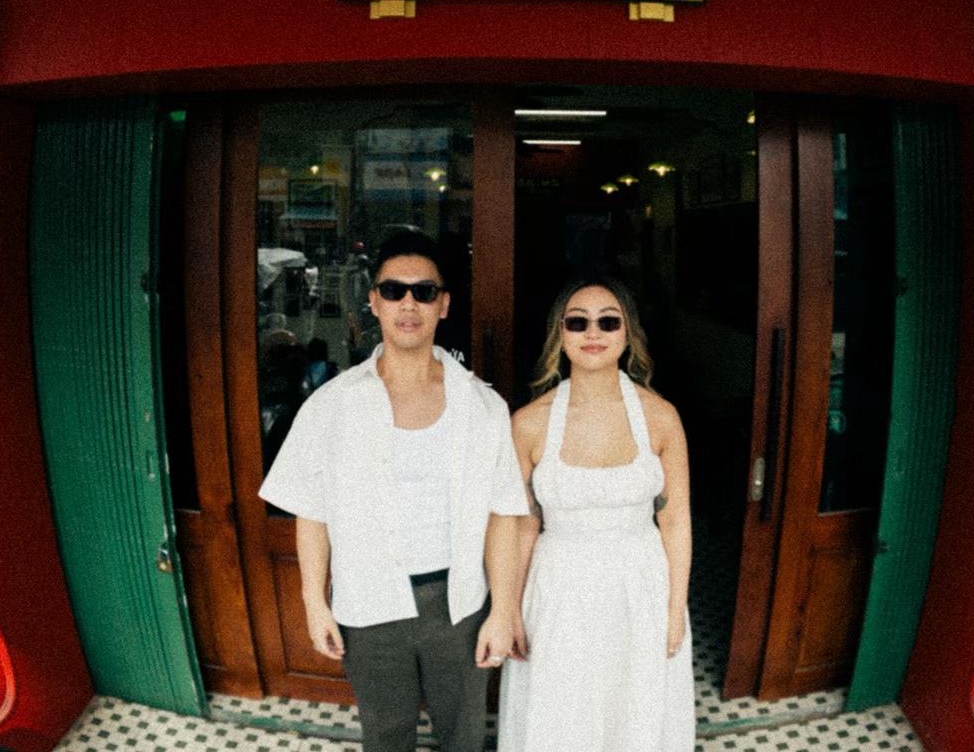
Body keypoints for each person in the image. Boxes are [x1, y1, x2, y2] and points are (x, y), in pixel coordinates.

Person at [259, 227, 528, 752]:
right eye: (393, 290)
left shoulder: (483, 406)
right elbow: (312, 513)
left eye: (424, 292)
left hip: (459, 603)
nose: (409, 303)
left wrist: (501, 610)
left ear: (443, 305)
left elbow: (503, 516)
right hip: (368, 603)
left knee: (463, 737)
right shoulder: (332, 405)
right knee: (385, 738)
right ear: (374, 302)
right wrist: (314, 602)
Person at [498, 276, 695, 752]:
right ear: (559, 333)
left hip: (640, 587)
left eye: (608, 322)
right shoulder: (529, 422)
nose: (593, 333)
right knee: (561, 712)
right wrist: (510, 609)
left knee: (635, 706)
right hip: (558, 591)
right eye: (578, 322)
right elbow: (523, 527)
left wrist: (675, 609)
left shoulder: (662, 417)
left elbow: (675, 520)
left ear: (628, 334)